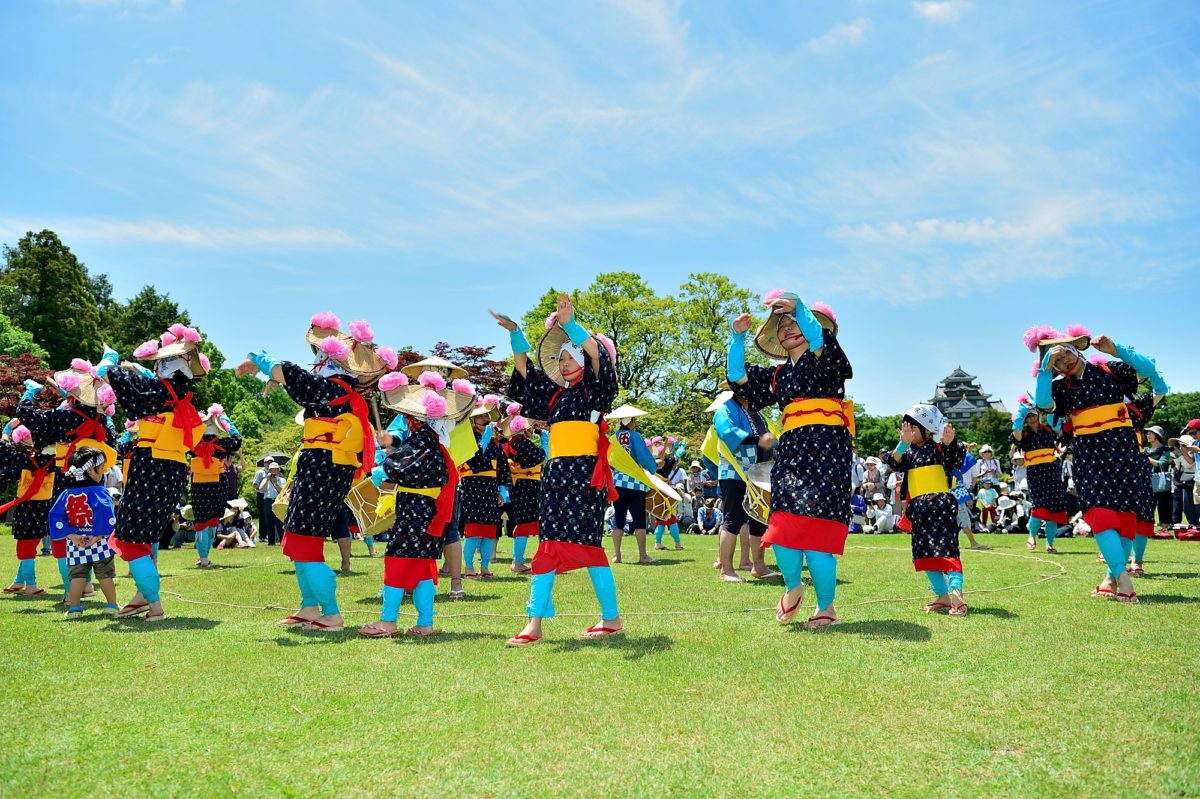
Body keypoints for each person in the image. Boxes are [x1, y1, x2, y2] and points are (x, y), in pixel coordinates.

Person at [239, 312, 397, 631]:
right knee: (299, 538)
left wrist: (259, 358)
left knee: (304, 540)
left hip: (323, 471)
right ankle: (311, 606)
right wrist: (271, 373)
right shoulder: (337, 392)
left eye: (320, 355)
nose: (315, 360)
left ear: (331, 359)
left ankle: (331, 613)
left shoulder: (332, 389)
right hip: (318, 468)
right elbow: (296, 380)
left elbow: (294, 376)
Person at [492, 293, 623, 646]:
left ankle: (610, 618)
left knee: (590, 547)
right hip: (554, 478)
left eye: (570, 357)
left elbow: (597, 356)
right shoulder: (555, 397)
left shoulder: (597, 391)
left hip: (584, 478)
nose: (564, 364)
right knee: (548, 545)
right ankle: (534, 623)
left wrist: (570, 326)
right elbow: (524, 373)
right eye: (560, 359)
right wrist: (516, 334)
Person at [728, 291, 853, 629]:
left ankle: (826, 608)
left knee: (817, 536)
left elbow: (819, 340)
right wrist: (736, 337)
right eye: (780, 326)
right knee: (781, 527)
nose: (786, 328)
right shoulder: (778, 375)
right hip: (793, 451)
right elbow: (738, 376)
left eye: (793, 322)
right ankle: (793, 586)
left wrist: (797, 306)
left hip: (828, 451)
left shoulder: (826, 356)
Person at [1028, 325, 1166, 603]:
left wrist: (1117, 350)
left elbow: (1150, 370)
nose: (1063, 360)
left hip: (1124, 451)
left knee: (1125, 518)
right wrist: (1045, 368)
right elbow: (1043, 403)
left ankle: (1111, 578)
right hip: (1088, 456)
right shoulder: (1059, 388)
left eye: (1065, 352)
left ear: (1076, 348)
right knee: (1098, 514)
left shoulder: (1111, 370)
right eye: (1056, 360)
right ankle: (1124, 580)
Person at [96, 325, 210, 621]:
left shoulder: (156, 391)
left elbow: (119, 384)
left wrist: (109, 361)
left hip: (150, 468)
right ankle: (141, 597)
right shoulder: (186, 398)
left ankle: (155, 604)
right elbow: (149, 391)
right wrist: (139, 373)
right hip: (174, 470)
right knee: (144, 536)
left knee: (132, 539)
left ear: (166, 365)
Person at [359, 367, 474, 638]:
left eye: (409, 416)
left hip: (415, 513)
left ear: (416, 419)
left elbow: (400, 468)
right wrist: (393, 452)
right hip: (427, 512)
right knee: (423, 568)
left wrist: (384, 463)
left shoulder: (422, 444)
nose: (407, 421)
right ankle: (425, 622)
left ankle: (388, 621)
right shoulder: (432, 444)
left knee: (397, 561)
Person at [884, 404, 969, 616]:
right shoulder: (908, 452)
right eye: (907, 429)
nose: (909, 432)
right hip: (919, 509)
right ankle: (942, 596)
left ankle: (958, 598)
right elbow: (892, 462)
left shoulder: (941, 448)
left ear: (927, 430)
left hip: (941, 507)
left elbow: (956, 460)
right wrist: (902, 444)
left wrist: (950, 443)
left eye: (913, 429)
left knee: (948, 552)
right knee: (924, 554)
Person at [708, 388, 777, 582]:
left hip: (757, 473)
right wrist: (759, 440)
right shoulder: (726, 408)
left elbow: (769, 439)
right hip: (734, 472)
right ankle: (726, 570)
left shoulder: (756, 412)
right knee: (733, 519)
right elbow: (727, 433)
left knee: (758, 520)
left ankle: (759, 567)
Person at [48, 447, 121, 618]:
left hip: (75, 543)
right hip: (99, 541)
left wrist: (72, 535)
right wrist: (96, 536)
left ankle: (74, 607)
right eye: (101, 467)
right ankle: (111, 605)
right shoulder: (100, 491)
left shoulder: (66, 494)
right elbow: (105, 512)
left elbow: (56, 516)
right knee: (105, 575)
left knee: (77, 576)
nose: (103, 470)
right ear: (89, 470)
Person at [459, 395, 510, 579]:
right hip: (472, 486)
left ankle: (485, 566)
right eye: (481, 416)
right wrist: (483, 444)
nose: (485, 419)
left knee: (489, 530)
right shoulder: (466, 437)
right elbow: (475, 461)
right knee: (473, 529)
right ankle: (469, 567)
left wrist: (502, 490)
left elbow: (502, 466)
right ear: (472, 418)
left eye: (487, 416)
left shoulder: (495, 440)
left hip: (490, 488)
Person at [1012, 395, 1069, 553]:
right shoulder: (1024, 434)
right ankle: (1031, 535)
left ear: (1038, 415)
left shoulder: (1049, 429)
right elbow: (1016, 435)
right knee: (1039, 505)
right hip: (1035, 473)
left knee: (1053, 508)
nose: (1031, 418)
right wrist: (1018, 417)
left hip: (1051, 471)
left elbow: (1059, 424)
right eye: (1027, 416)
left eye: (1033, 415)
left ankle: (1050, 543)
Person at [188, 404, 242, 568]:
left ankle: (203, 557)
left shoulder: (193, 443)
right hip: (218, 484)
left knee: (201, 522)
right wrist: (224, 419)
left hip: (199, 485)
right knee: (212, 521)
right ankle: (205, 556)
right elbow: (237, 439)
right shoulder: (224, 444)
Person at [607, 404, 658, 565]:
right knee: (639, 520)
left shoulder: (612, 438)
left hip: (618, 483)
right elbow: (644, 458)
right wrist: (652, 468)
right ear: (631, 421)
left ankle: (617, 555)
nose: (635, 422)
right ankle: (643, 555)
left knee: (618, 519)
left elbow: (609, 460)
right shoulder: (635, 436)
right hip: (635, 483)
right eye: (634, 420)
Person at [501, 403, 545, 574]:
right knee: (527, 522)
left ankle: (520, 560)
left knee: (527, 521)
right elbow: (540, 457)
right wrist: (545, 444)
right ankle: (518, 562)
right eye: (530, 426)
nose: (532, 429)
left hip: (523, 485)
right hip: (526, 486)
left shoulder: (513, 443)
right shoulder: (521, 443)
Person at [653, 455, 686, 551]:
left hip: (657, 501)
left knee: (661, 523)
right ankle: (677, 544)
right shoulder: (663, 473)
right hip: (664, 501)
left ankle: (658, 543)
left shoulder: (655, 472)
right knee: (672, 522)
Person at [1143, 426, 1173, 531]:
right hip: (1147, 481)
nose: (1148, 435)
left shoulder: (1164, 450)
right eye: (1147, 433)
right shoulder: (1145, 449)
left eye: (1151, 433)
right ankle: (1147, 528)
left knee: (1163, 504)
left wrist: (1147, 458)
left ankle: (1164, 528)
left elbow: (1161, 463)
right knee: (1148, 506)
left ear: (1157, 436)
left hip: (1161, 483)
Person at [256, 461, 286, 545]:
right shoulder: (265, 479)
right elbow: (262, 489)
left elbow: (283, 492)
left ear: (278, 470)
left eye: (275, 470)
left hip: (278, 501)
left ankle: (282, 541)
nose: (273, 472)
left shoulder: (282, 480)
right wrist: (267, 480)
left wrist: (276, 483)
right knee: (269, 522)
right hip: (268, 501)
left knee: (279, 522)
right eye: (271, 470)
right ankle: (271, 542)